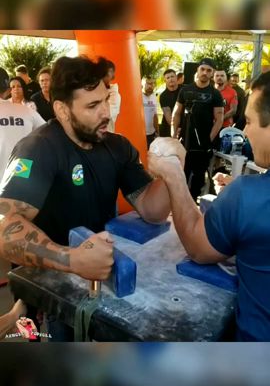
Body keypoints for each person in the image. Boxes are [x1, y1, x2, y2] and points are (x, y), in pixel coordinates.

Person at [0, 55, 181, 341]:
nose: (106, 112)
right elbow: (5, 229)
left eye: (106, 100)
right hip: (59, 283)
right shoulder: (38, 148)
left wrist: (172, 172)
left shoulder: (117, 146)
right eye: (93, 105)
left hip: (106, 274)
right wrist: (71, 259)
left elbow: (152, 208)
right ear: (61, 109)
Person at [148, 71, 270, 341]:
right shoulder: (247, 195)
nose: (245, 131)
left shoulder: (248, 197)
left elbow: (197, 244)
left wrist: (173, 176)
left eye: (249, 121)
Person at [172, 58, 224, 202]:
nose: (205, 73)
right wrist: (173, 136)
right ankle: (178, 203)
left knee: (198, 179)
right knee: (180, 175)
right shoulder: (185, 90)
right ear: (198, 70)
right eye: (203, 69)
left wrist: (208, 140)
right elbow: (176, 113)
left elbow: (219, 119)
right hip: (184, 142)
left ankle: (192, 203)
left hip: (202, 146)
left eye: (209, 70)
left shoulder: (215, 94)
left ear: (212, 73)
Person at [159, 69, 181, 137]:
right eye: (168, 78)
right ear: (165, 80)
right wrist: (176, 129)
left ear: (176, 78)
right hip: (169, 129)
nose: (170, 79)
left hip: (184, 128)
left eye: (172, 76)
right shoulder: (163, 96)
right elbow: (168, 116)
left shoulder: (184, 90)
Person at [102, 59, 121, 133]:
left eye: (106, 74)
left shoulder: (115, 96)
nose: (102, 77)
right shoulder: (92, 91)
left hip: (105, 137)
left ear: (112, 76)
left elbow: (106, 115)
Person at [142, 77, 159, 149]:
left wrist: (157, 131)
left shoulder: (154, 97)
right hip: (140, 134)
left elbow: (155, 115)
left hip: (151, 134)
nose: (150, 86)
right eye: (148, 83)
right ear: (142, 84)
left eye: (152, 84)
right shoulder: (137, 95)